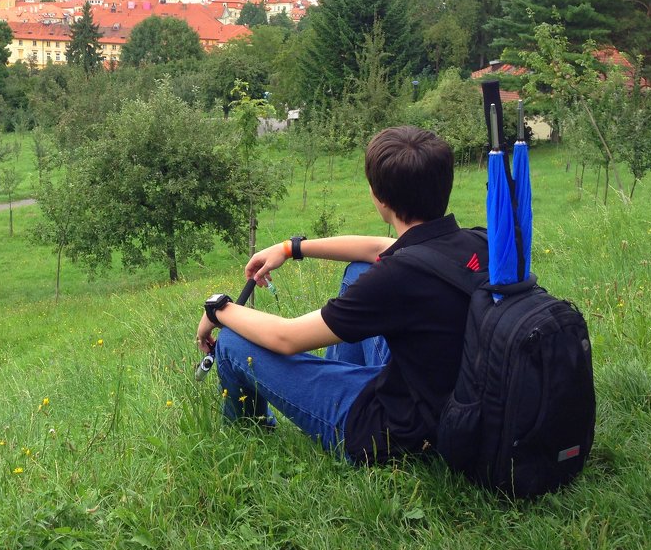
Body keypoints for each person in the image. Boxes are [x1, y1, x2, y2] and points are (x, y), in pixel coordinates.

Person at [195, 125, 487, 464]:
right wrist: (291, 248)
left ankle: (251, 434)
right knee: (358, 270)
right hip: (449, 397)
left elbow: (286, 338)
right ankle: (336, 379)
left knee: (233, 341)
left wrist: (218, 310)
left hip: (395, 430)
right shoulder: (476, 243)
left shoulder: (396, 278)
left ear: (380, 199)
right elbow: (378, 247)